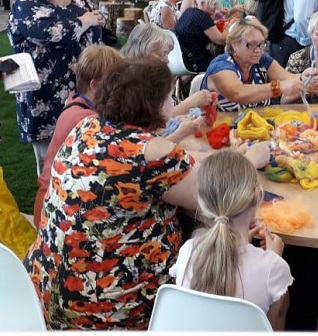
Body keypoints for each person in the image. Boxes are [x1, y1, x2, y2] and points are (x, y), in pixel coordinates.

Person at [25, 59, 271, 329]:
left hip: (49, 293)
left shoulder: (87, 128)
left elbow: (175, 167)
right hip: (109, 310)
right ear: (155, 105)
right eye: (170, 96)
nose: (173, 102)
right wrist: (249, 160)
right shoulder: (152, 154)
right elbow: (217, 195)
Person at [7, 0, 104, 175]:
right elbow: (51, 33)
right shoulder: (26, 3)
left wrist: (93, 23)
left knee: (86, 153)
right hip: (45, 95)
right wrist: (84, 22)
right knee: (50, 162)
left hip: (83, 89)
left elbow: (97, 23)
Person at [171, 150, 292, 330]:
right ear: (257, 196)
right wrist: (275, 258)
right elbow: (273, 329)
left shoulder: (188, 250)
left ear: (202, 202)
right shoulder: (273, 268)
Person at [32, 44, 124, 225]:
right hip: (54, 215)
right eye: (117, 84)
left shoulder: (75, 102)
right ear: (95, 86)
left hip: (53, 204)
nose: (123, 90)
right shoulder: (85, 120)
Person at [202, 17, 308, 112]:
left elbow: (288, 78)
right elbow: (237, 93)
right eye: (251, 44)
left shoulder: (261, 60)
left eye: (261, 44)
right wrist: (278, 87)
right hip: (219, 126)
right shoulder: (220, 66)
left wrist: (306, 78)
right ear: (234, 44)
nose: (258, 50)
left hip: (256, 125)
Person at [174, 0, 227, 72]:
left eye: (215, 4)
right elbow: (220, 40)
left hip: (181, 58)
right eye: (212, 4)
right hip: (194, 61)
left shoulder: (189, 11)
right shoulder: (203, 17)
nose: (214, 8)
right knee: (226, 63)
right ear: (202, 3)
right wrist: (229, 27)